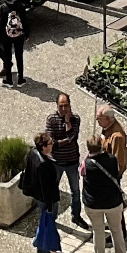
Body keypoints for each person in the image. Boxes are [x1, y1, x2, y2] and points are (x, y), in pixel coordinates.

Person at [81, 135, 127, 253]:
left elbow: (82, 172)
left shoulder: (87, 164)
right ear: (101, 146)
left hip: (93, 204)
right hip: (112, 202)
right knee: (116, 230)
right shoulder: (111, 160)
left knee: (98, 232)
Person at [44, 92, 87, 227]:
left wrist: (67, 122)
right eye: (61, 106)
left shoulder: (75, 119)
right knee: (53, 190)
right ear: (56, 105)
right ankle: (52, 217)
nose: (63, 109)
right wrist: (66, 140)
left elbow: (73, 136)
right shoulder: (51, 119)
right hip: (56, 162)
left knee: (75, 191)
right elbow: (51, 142)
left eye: (66, 106)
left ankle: (76, 216)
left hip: (72, 161)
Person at [21, 131, 62, 253]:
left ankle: (44, 248)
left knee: (45, 222)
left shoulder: (33, 153)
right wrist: (49, 206)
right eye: (50, 143)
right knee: (47, 223)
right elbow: (46, 188)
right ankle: (43, 250)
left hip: (38, 195)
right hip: (47, 199)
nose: (52, 144)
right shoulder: (44, 164)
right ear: (44, 147)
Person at [0, 0, 28, 87]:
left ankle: (9, 80)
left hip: (6, 36)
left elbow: (0, 23)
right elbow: (25, 21)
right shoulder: (20, 6)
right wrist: (26, 34)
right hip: (19, 35)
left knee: (7, 57)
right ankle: (20, 79)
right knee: (19, 57)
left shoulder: (2, 7)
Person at [96, 107, 127, 176]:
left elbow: (119, 162)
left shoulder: (117, 137)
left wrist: (112, 178)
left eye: (99, 118)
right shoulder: (106, 126)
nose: (97, 120)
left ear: (108, 119)